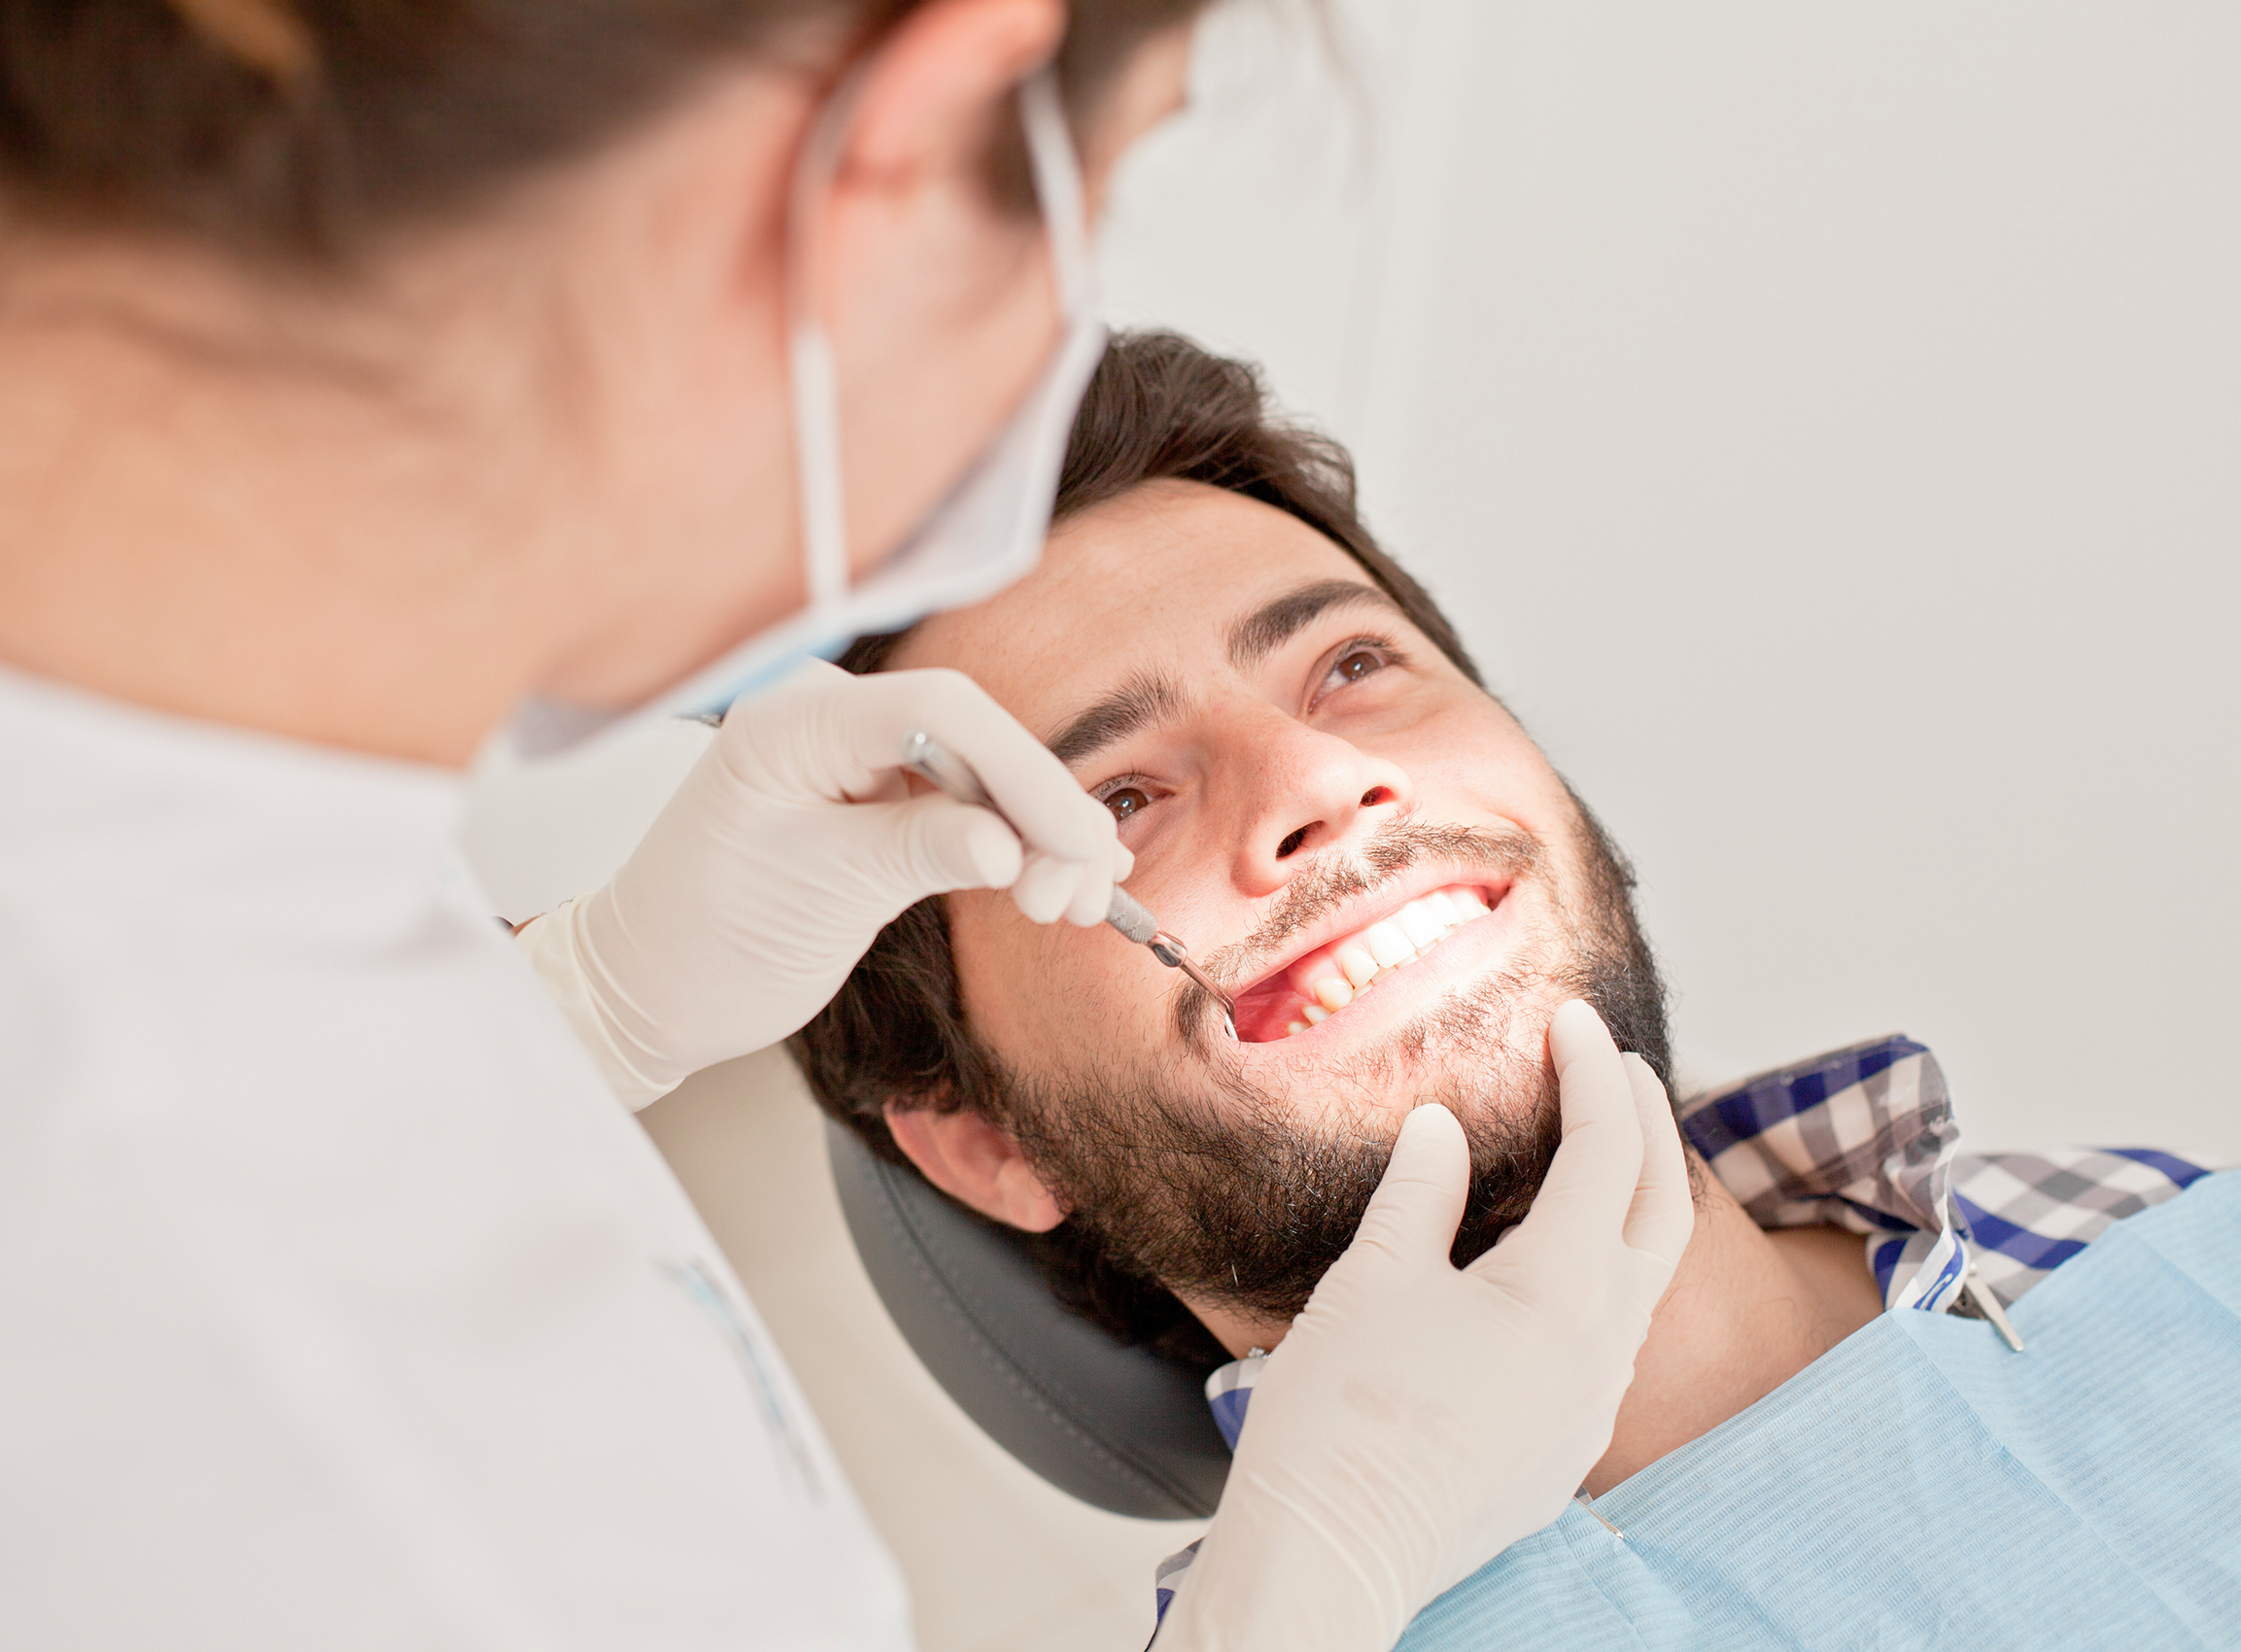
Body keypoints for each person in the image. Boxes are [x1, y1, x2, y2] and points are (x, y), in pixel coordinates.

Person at [0, 4, 1698, 1648]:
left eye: (1354, 669)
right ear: (909, 134)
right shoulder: (382, 1505)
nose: (1313, 793)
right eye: (1096, 202)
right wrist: (1305, 1591)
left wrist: (584, 1007)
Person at [791, 329, 2241, 1648]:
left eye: (1350, 663)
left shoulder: (2161, 1242)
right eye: (1111, 800)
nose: (1319, 781)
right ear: (988, 1142)